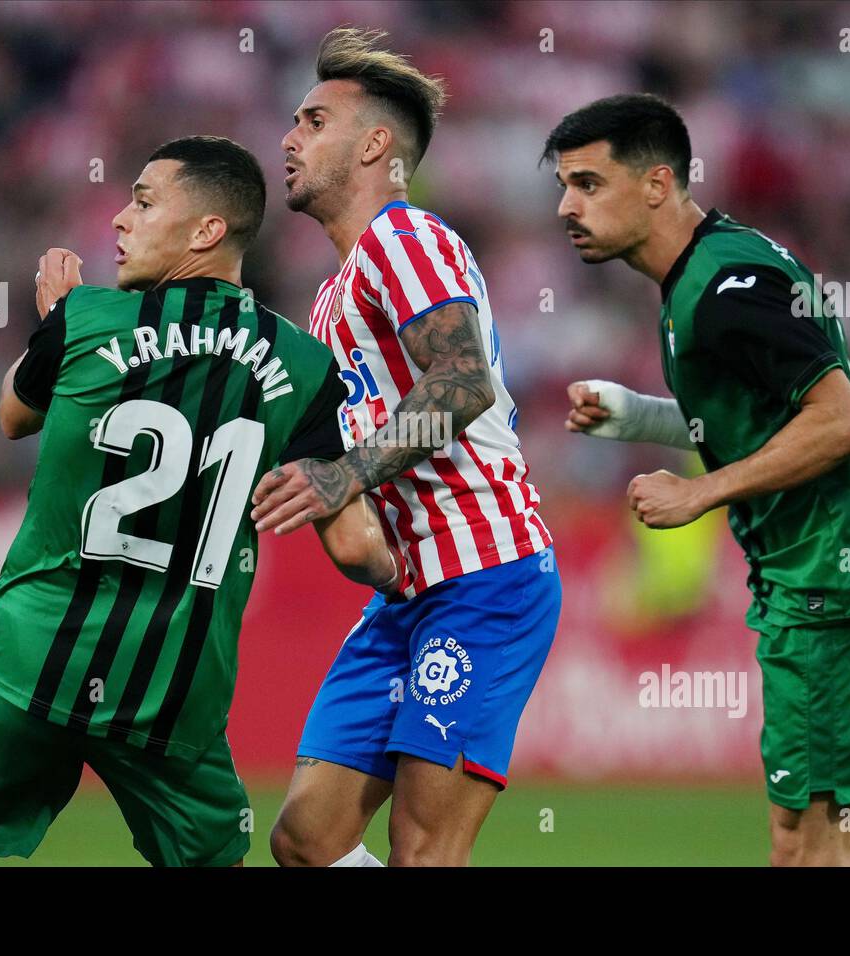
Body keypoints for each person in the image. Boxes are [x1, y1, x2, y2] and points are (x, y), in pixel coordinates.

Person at [0, 135, 398, 867]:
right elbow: (352, 547)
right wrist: (403, 573)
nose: (121, 218)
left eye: (144, 202)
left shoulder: (87, 319)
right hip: (171, 698)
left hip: (25, 668)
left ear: (206, 231)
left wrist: (55, 324)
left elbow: (11, 415)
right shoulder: (308, 368)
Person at [547, 94, 850, 867]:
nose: (567, 206)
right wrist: (634, 417)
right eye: (564, 185)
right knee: (842, 826)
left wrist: (699, 493)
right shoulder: (704, 272)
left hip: (837, 576)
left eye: (589, 183)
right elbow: (757, 419)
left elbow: (841, 421)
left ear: (657, 184)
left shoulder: (728, 289)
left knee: (804, 838)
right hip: (815, 576)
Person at [257, 28, 560, 868]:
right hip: (406, 595)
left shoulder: (406, 238)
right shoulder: (329, 301)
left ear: (375, 144)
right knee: (306, 841)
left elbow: (463, 383)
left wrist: (344, 474)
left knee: (423, 851)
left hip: (485, 574)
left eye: (313, 121)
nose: (289, 139)